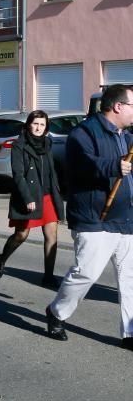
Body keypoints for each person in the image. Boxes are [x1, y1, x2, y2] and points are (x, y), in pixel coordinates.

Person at [46, 84, 133, 345]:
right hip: (95, 217)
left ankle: (130, 332)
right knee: (86, 273)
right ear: (118, 106)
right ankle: (56, 312)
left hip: (125, 218)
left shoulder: (126, 135)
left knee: (130, 278)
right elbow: (83, 165)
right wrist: (113, 166)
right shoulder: (83, 133)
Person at [0, 110, 64, 288]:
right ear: (28, 124)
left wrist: (58, 193)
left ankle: (48, 276)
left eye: (42, 124)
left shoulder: (48, 142)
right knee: (21, 235)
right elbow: (18, 174)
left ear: (46, 127)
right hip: (28, 195)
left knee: (52, 235)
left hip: (48, 195)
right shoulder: (19, 145)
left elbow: (51, 171)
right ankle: (2, 258)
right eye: (35, 123)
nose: (38, 127)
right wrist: (28, 197)